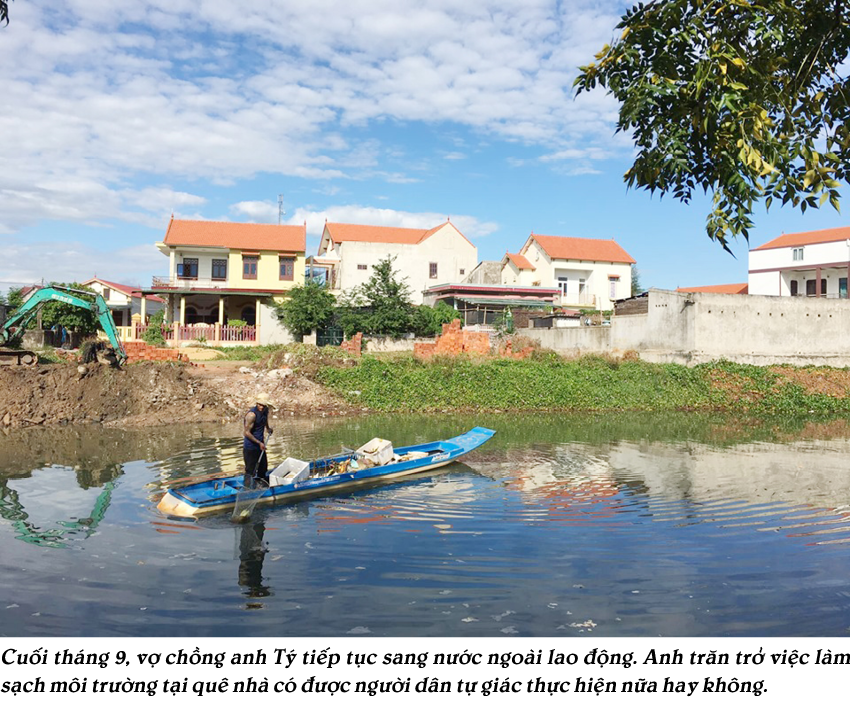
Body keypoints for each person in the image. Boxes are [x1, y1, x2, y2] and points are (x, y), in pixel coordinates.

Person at [243, 392, 275, 488]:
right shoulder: (251, 415)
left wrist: (268, 428)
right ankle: (247, 489)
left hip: (260, 446)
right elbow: (246, 432)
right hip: (251, 447)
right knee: (250, 471)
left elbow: (264, 420)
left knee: (263, 467)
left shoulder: (265, 411)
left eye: (263, 405)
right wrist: (259, 442)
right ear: (256, 404)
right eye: (259, 405)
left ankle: (263, 486)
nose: (261, 407)